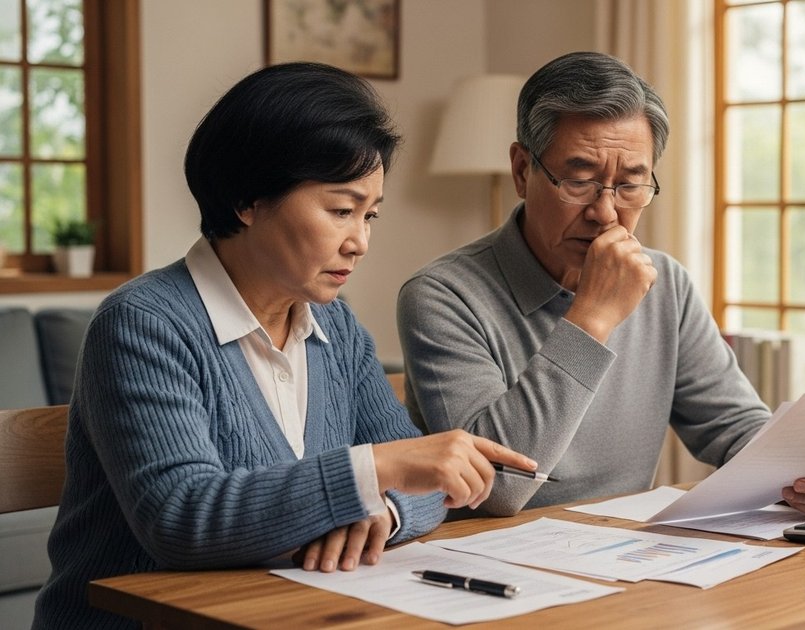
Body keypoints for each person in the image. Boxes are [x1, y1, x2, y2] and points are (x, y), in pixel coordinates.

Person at [33, 62, 536, 629]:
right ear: (249, 199)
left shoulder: (335, 328)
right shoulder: (143, 323)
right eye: (341, 210)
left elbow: (425, 483)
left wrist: (384, 509)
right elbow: (180, 517)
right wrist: (373, 471)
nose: (361, 242)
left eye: (370, 215)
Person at [396, 51, 805, 520]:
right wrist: (593, 317)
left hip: (626, 555)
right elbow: (494, 489)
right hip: (486, 561)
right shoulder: (440, 296)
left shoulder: (666, 282)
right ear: (521, 171)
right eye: (578, 181)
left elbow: (733, 425)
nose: (607, 213)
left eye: (631, 185)